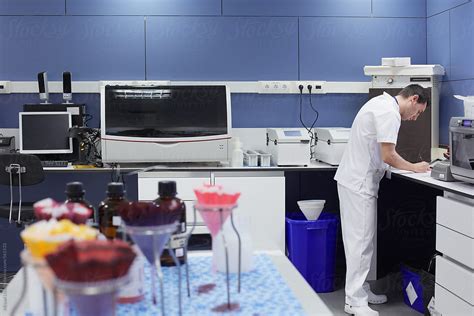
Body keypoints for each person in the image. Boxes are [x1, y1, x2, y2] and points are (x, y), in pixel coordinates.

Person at [334, 84, 431, 316]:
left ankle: (361, 290)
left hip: (355, 180)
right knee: (360, 243)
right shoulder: (389, 112)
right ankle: (354, 301)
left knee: (362, 242)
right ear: (413, 98)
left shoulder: (380, 103)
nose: (415, 117)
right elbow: (388, 154)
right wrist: (415, 167)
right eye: (418, 111)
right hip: (359, 184)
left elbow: (379, 153)